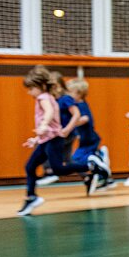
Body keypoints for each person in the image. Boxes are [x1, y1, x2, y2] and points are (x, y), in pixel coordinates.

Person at [18, 65, 110, 216]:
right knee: (30, 166)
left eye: (31, 88)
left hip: (53, 140)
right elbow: (53, 121)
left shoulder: (43, 98)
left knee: (58, 169)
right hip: (48, 139)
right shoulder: (50, 97)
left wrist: (43, 125)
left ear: (41, 86)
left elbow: (49, 113)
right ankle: (31, 197)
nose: (29, 92)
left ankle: (91, 165)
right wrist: (37, 139)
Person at [67, 78, 115, 191]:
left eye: (70, 92)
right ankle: (105, 178)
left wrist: (72, 123)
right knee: (77, 161)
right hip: (88, 139)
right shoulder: (79, 104)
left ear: (78, 93)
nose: (67, 95)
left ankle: (97, 157)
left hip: (89, 139)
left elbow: (85, 118)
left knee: (75, 159)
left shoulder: (80, 105)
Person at [36, 71, 81, 186]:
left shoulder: (66, 99)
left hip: (66, 133)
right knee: (68, 160)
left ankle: (49, 172)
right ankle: (91, 172)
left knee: (46, 146)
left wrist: (67, 129)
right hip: (59, 133)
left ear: (61, 86)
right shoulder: (52, 100)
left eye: (55, 86)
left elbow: (76, 114)